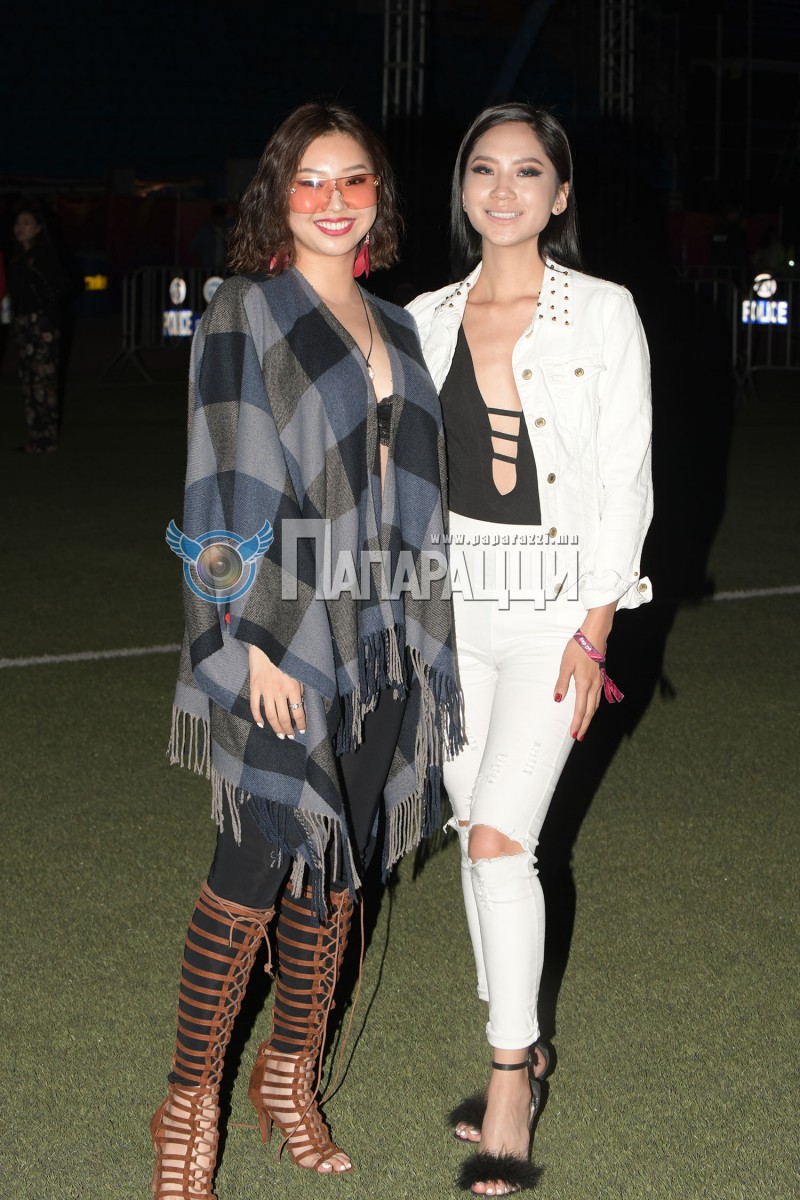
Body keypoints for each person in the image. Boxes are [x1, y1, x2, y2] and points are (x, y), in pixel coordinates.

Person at [153, 102, 463, 1196]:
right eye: (310, 181)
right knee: (252, 858)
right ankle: (188, 1103)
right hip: (286, 629)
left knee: (339, 864)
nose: (333, 201)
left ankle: (288, 1076)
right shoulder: (247, 308)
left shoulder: (401, 325)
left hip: (385, 630)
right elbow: (225, 472)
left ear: (380, 195)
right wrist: (247, 641)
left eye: (353, 180)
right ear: (278, 195)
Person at [408, 102, 653, 1196]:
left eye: (525, 172)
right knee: (476, 833)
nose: (501, 189)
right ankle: (519, 1031)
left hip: (553, 609)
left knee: (503, 841)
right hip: (448, 609)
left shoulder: (601, 312)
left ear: (558, 195)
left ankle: (510, 1079)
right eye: (482, 169)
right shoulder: (423, 316)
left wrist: (596, 625)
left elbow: (625, 473)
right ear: (462, 188)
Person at [7, 203, 70, 453]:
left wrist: (44, 306)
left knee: (43, 380)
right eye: (17, 223)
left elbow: (62, 286)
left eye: (26, 223)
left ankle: (47, 438)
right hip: (23, 322)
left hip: (42, 322)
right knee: (28, 379)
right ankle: (36, 437)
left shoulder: (43, 255)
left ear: (38, 228)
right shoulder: (17, 257)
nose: (20, 228)